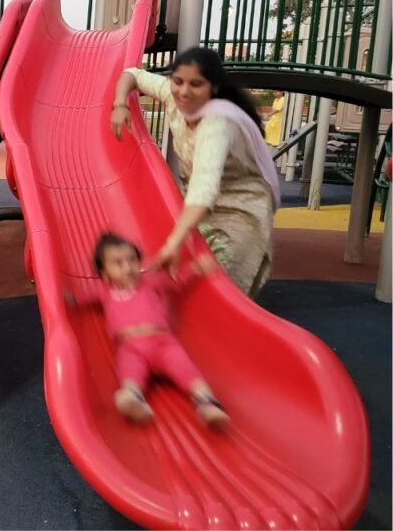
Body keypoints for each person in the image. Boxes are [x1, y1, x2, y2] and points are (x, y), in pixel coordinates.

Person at [110, 47, 280, 297]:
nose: (184, 91)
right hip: (196, 204)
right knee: (191, 272)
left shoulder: (217, 123)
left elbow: (204, 187)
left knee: (222, 283)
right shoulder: (172, 93)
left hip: (240, 207)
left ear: (213, 88)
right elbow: (131, 74)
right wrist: (119, 104)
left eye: (196, 84)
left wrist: (174, 242)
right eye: (178, 81)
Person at [69, 232, 229, 427]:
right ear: (104, 274)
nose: (128, 267)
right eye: (118, 263)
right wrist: (63, 296)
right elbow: (78, 299)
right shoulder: (103, 291)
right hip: (129, 347)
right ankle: (132, 398)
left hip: (162, 342)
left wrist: (196, 268)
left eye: (132, 260)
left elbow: (176, 282)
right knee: (129, 373)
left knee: (186, 370)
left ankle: (207, 402)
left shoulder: (149, 280)